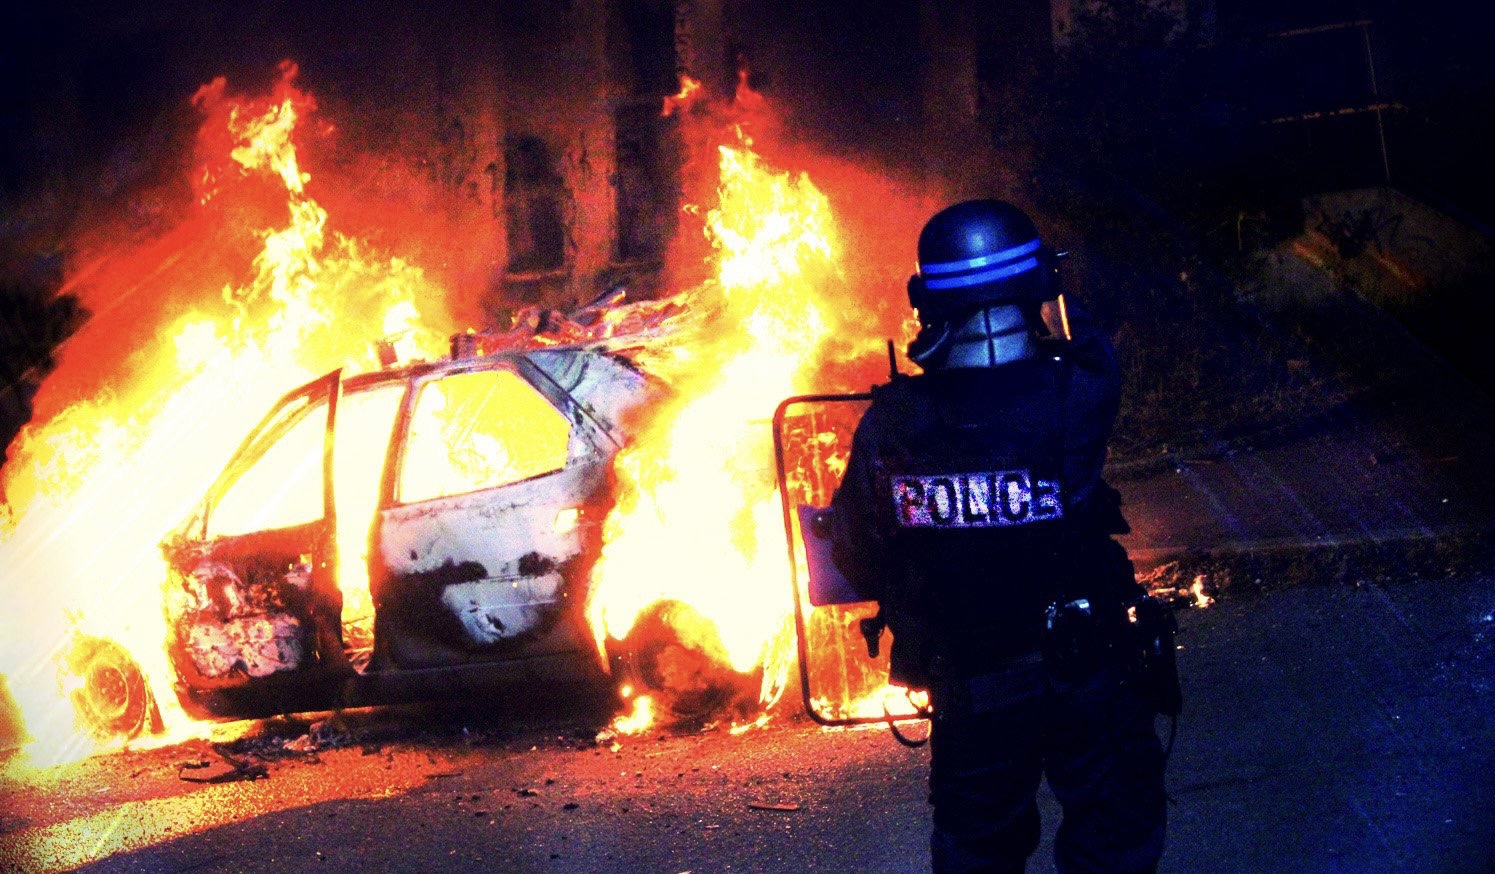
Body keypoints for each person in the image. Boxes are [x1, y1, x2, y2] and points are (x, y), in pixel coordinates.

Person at [827, 199, 1171, 874]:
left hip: (971, 682)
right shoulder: (1079, 391)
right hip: (1086, 670)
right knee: (1113, 843)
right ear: (1037, 286)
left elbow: (856, 554)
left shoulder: (892, 423)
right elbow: (1087, 342)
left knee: (977, 850)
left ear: (928, 302)